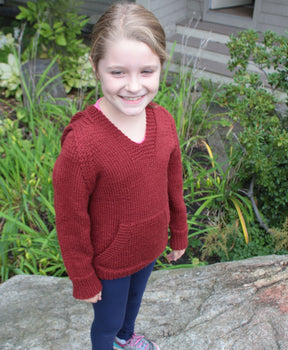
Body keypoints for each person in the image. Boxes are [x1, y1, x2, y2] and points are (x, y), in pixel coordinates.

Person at [53, 2, 188, 350]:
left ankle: (126, 339)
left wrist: (178, 233)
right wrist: (83, 277)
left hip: (149, 243)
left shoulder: (164, 121)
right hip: (110, 258)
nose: (133, 87)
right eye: (117, 72)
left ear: (161, 66)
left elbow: (174, 183)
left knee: (133, 304)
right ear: (95, 67)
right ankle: (109, 342)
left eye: (146, 71)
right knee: (108, 319)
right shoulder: (83, 143)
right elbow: (70, 217)